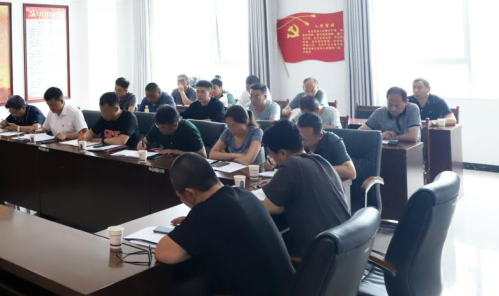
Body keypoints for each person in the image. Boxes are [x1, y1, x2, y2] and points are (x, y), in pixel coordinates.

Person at [154, 153, 294, 296]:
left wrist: (195, 227)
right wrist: (193, 225)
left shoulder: (206, 212)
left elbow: (165, 254)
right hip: (290, 289)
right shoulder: (245, 195)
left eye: (180, 196)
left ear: (189, 193)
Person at [261, 120, 350, 256]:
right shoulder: (320, 160)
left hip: (320, 255)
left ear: (283, 153)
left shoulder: (291, 164)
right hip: (345, 247)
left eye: (271, 155)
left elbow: (271, 207)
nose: (272, 159)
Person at [295, 113, 356, 180]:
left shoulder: (333, 141)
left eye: (303, 139)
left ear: (320, 136)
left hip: (328, 181)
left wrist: (316, 169)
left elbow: (351, 172)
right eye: (298, 136)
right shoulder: (295, 138)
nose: (298, 141)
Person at [137, 106, 206, 156]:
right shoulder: (158, 126)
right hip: (166, 161)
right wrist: (142, 146)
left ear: (175, 125)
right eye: (158, 126)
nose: (160, 130)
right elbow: (144, 141)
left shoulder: (189, 129)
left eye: (164, 128)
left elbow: (202, 156)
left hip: (188, 164)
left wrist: (174, 151)